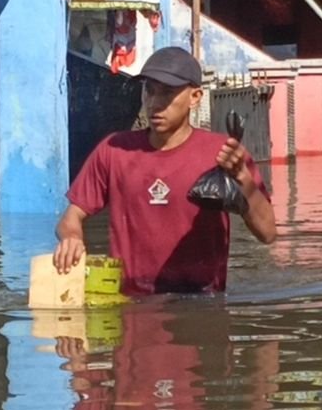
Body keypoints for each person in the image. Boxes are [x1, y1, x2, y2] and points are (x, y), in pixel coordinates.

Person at [53, 46, 276, 295]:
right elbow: (70, 217)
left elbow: (268, 233)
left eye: (167, 93)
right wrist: (72, 237)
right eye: (149, 90)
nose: (155, 103)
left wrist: (242, 179)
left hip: (201, 303)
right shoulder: (114, 150)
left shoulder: (223, 155)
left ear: (195, 97)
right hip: (133, 303)